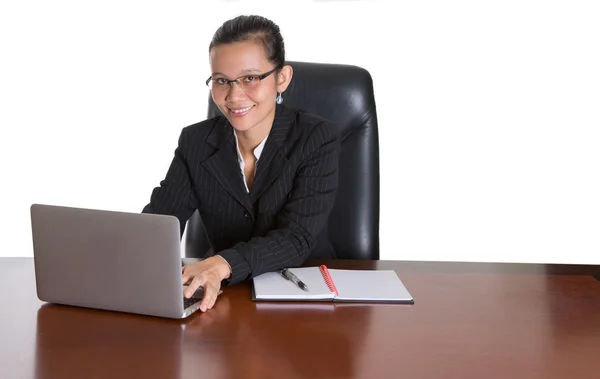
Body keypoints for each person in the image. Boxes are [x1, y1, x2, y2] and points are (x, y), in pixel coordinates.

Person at [142, 15, 340, 313]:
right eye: (222, 80)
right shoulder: (195, 141)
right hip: (224, 301)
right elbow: (161, 224)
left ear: (282, 78)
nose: (234, 96)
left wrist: (223, 263)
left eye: (250, 78)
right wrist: (127, 254)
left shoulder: (315, 138)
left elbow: (296, 238)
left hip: (307, 300)